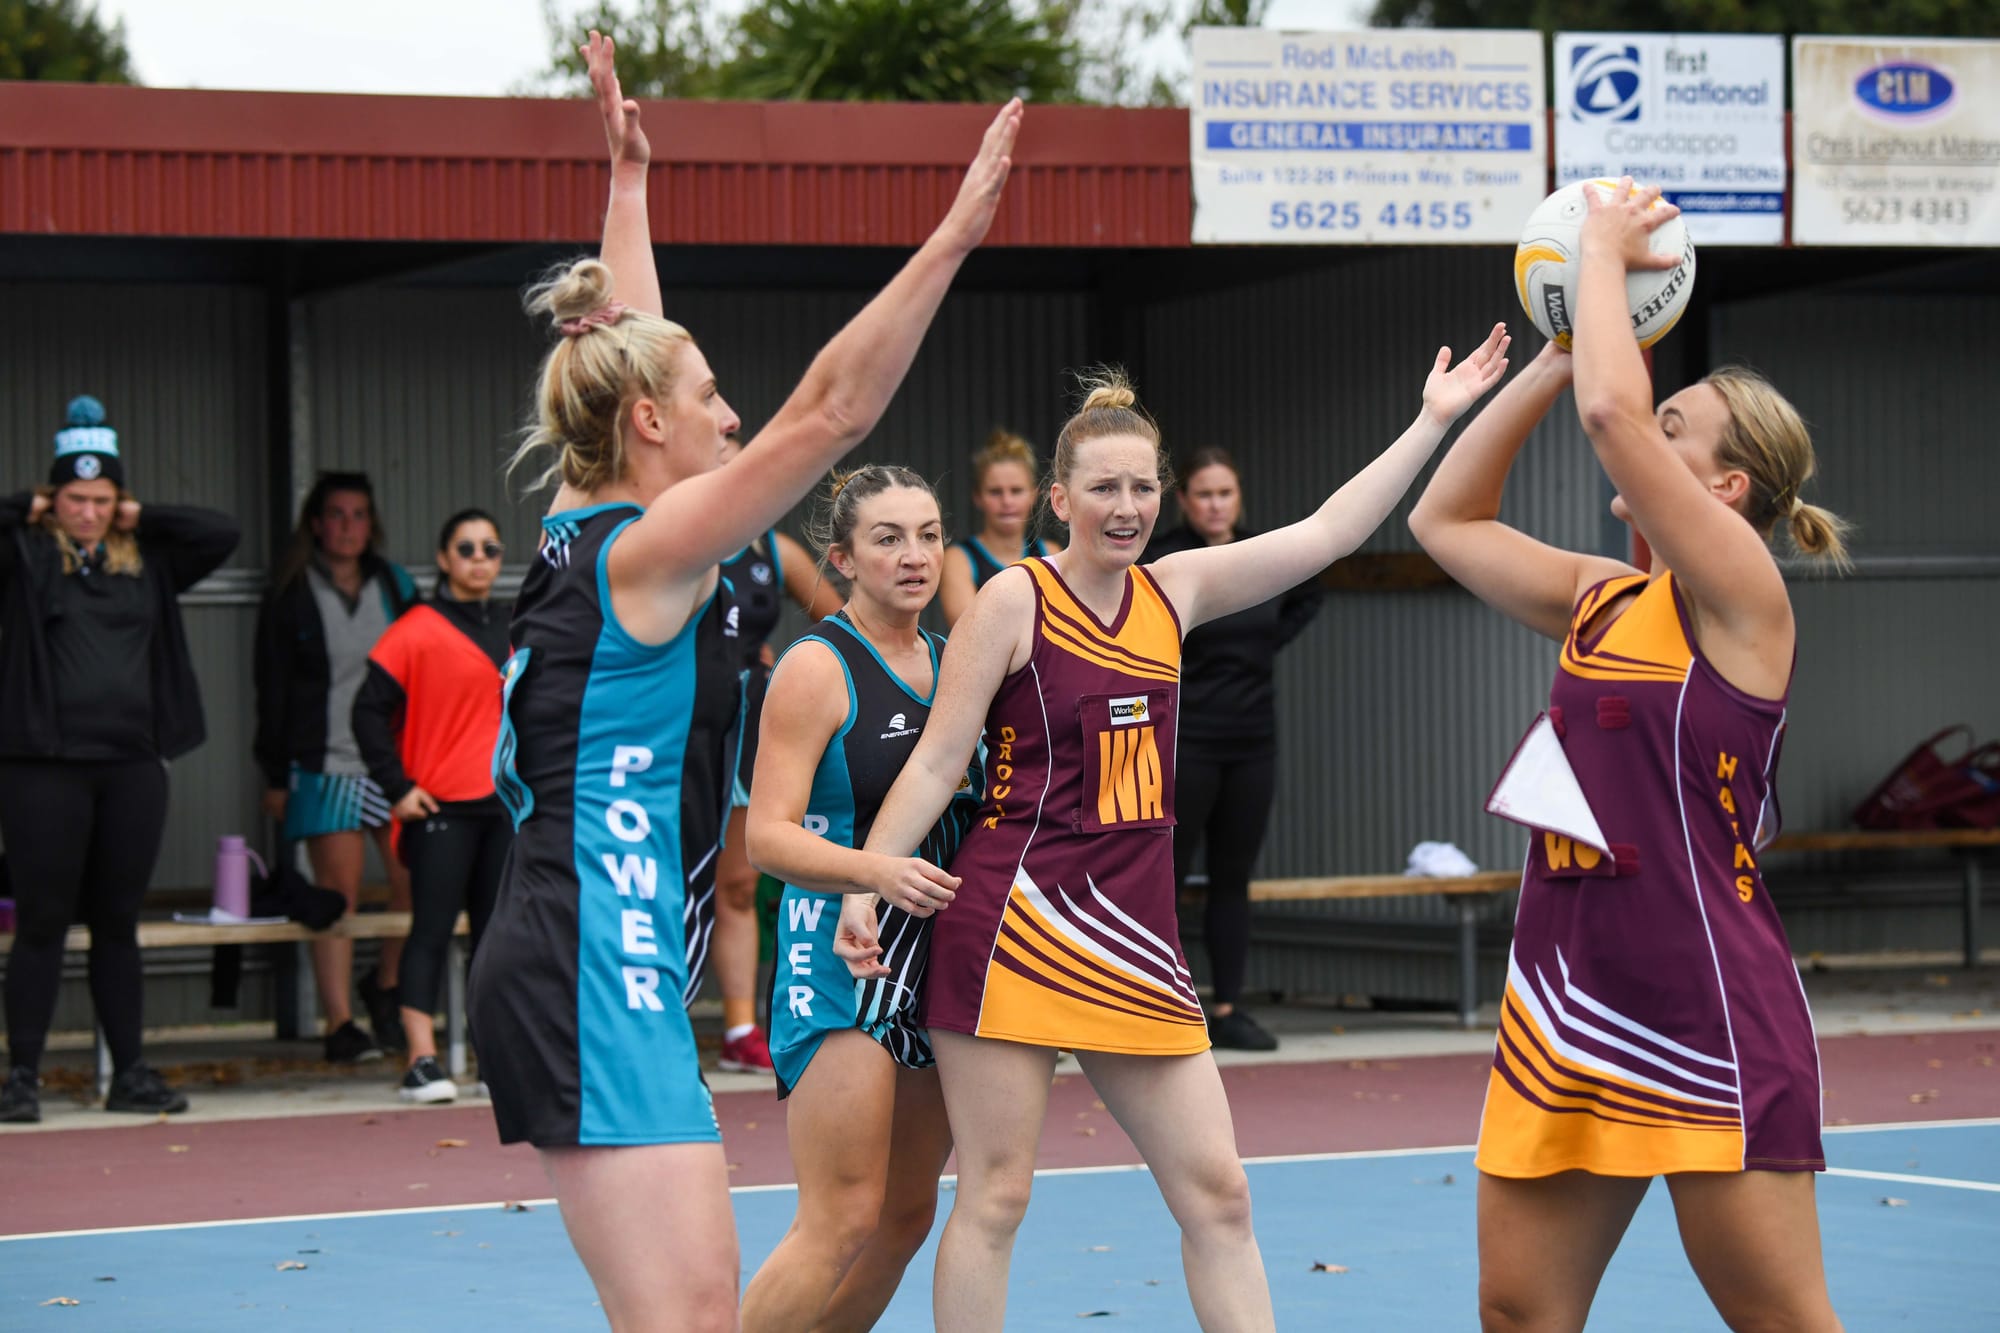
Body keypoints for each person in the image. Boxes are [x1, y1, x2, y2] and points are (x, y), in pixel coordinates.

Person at [464, 31, 1018, 1332]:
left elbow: (631, 353)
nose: (731, 417)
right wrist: (950, 239)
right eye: (712, 401)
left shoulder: (598, 523)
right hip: (590, 951)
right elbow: (831, 415)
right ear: (652, 426)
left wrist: (631, 185)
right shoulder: (647, 553)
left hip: (615, 944)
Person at [840, 332, 1511, 1330]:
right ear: (1058, 499)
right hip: (1010, 925)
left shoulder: (1175, 591)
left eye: (1141, 488)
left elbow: (1327, 531)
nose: (1126, 507)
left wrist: (1431, 419)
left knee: (1219, 1197)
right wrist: (866, 878)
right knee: (995, 1197)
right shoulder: (1012, 598)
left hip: (1135, 940)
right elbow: (940, 760)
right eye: (1103, 488)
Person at [1407, 180, 1845, 1333]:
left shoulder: (1740, 594)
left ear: (1723, 488)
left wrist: (1599, 253)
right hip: (1566, 991)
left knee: (1781, 1318)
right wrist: (1553, 353)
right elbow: (1442, 522)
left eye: (1673, 431)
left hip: (1698, 991)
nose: (1641, 424)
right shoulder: (1603, 598)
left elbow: (1612, 409)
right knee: (1518, 1312)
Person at [740, 467, 981, 1332]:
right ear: (841, 557)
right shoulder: (816, 667)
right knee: (839, 1216)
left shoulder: (959, 665)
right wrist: (872, 872)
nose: (914, 555)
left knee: (904, 1216)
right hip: (844, 957)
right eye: (888, 538)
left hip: (937, 964)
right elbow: (764, 836)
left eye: (928, 533)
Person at [0, 396, 239, 1123]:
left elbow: (221, 532)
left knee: (117, 920)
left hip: (132, 764)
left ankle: (129, 1072)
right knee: (42, 920)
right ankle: (22, 1078)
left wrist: (142, 517)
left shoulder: (150, 561)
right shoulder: (25, 555)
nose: (88, 511)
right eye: (74, 498)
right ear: (53, 499)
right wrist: (27, 505)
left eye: (103, 499)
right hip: (43, 764)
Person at [1142, 447, 1322, 1051]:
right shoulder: (1165, 557)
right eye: (1203, 494)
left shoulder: (1260, 553)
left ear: (1238, 496)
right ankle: (1156, 1002)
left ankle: (1228, 1007)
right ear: (1185, 501)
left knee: (1232, 878)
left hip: (1253, 740)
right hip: (1184, 740)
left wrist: (1265, 645)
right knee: (1162, 874)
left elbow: (1309, 591)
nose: (1215, 504)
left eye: (1225, 493)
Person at [254, 470, 418, 1064]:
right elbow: (269, 689)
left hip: (392, 762)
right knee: (337, 898)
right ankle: (340, 1023)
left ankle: (386, 984)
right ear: (317, 524)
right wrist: (275, 774)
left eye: (358, 515)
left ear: (371, 524)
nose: (348, 527)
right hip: (325, 764)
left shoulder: (395, 587)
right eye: (337, 515)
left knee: (412, 883)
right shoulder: (292, 593)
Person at [351, 509, 512, 1103]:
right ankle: (422, 1061)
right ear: (444, 559)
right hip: (438, 806)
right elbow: (365, 712)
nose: (479, 558)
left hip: (504, 807)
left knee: (497, 936)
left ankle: (493, 1057)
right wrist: (397, 787)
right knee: (431, 929)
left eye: (490, 548)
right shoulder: (416, 627)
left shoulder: (519, 626)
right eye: (465, 548)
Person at [713, 434, 844, 1076]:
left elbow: (847, 623)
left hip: (747, 726)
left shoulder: (772, 547)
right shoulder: (673, 536)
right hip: (678, 725)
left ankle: (740, 1025)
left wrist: (792, 665)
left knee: (739, 883)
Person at [937, 429, 1061, 627]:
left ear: (1034, 494)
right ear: (977, 497)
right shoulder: (958, 559)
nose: (1007, 501)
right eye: (995, 492)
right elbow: (972, 632)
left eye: (1016, 490)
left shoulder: (1051, 554)